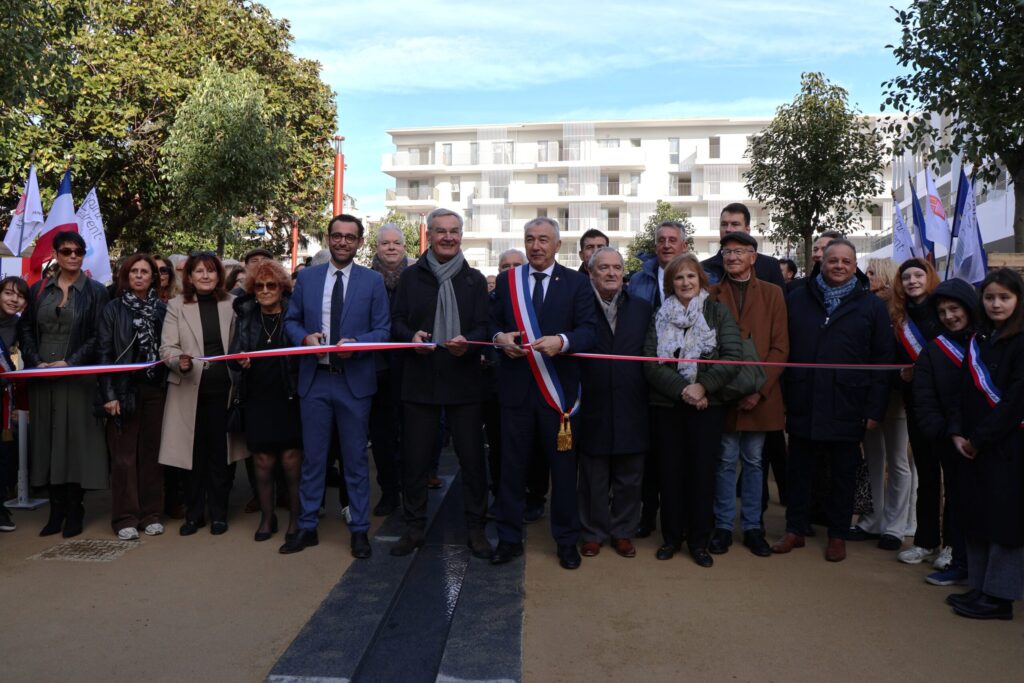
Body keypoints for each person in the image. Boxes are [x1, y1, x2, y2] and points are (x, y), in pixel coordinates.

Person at [772, 239, 894, 562]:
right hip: (804, 398)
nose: (839, 266)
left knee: (843, 473)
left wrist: (874, 408)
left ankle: (838, 533)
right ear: (821, 263)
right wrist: (783, 396)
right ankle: (795, 529)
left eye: (846, 261)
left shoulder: (872, 307)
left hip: (848, 403)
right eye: (833, 261)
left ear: (855, 266)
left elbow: (883, 361)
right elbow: (783, 349)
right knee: (799, 470)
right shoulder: (797, 298)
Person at [490, 217, 597, 570]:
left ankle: (566, 540)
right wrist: (499, 338)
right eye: (530, 239)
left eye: (543, 240)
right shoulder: (508, 281)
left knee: (563, 472)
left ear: (557, 245)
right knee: (511, 468)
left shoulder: (578, 283)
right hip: (516, 392)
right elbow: (491, 324)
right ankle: (508, 538)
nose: (536, 246)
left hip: (558, 395)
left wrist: (563, 341)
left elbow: (588, 331)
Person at [282, 214, 390, 558]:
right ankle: (307, 527)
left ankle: (359, 530)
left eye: (350, 237)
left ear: (359, 242)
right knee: (314, 460)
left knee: (356, 461)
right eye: (337, 236)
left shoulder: (373, 281)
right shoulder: (308, 279)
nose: (343, 242)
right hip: (315, 382)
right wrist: (303, 337)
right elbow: (291, 320)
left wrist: (359, 341)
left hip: (354, 384)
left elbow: (383, 331)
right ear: (328, 239)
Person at [390, 208, 492, 559]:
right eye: (441, 231)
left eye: (454, 231)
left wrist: (470, 340)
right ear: (429, 236)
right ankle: (414, 527)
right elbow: (397, 321)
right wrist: (410, 336)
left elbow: (484, 325)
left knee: (472, 460)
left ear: (461, 235)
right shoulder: (410, 277)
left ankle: (476, 528)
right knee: (415, 460)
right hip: (420, 379)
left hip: (464, 380)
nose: (448, 237)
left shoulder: (474, 280)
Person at [643, 253, 743, 567]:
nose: (685, 282)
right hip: (667, 405)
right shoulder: (659, 314)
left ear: (701, 279)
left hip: (707, 407)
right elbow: (650, 361)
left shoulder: (716, 312)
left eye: (691, 276)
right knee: (670, 474)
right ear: (670, 284)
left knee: (702, 474)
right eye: (678, 277)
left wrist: (703, 387)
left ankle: (699, 540)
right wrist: (683, 389)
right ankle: (671, 538)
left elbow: (732, 355)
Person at [20, 231, 109, 538]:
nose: (73, 256)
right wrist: (35, 361)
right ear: (56, 254)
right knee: (46, 437)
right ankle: (55, 509)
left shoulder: (97, 291)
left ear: (84, 255)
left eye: (78, 252)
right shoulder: (38, 290)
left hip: (78, 374)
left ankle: (75, 508)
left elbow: (100, 335)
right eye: (67, 251)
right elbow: (26, 330)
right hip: (43, 373)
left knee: (75, 440)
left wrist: (71, 362)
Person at [947, 269, 1024, 620]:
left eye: (1004, 297)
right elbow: (964, 390)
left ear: (1018, 300)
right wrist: (959, 432)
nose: (996, 303)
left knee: (1005, 522)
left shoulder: (1021, 340)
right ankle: (980, 585)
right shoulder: (980, 337)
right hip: (973, 444)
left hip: (1008, 446)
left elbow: (1015, 402)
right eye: (990, 297)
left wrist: (979, 438)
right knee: (976, 514)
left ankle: (999, 597)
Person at [708, 232, 788, 558]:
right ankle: (723, 526)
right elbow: (707, 348)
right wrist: (724, 387)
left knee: (755, 462)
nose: (732, 257)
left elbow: (780, 347)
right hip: (724, 394)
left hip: (761, 396)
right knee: (725, 461)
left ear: (753, 257)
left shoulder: (772, 294)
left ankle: (754, 527)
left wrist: (759, 389)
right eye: (726, 252)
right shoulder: (711, 295)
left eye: (739, 251)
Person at [159, 252, 244, 536]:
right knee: (192, 457)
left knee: (220, 457)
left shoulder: (233, 304)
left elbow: (240, 345)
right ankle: (193, 516)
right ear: (190, 276)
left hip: (224, 391)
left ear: (219, 275)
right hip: (188, 390)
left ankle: (219, 514)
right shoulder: (175, 306)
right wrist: (177, 361)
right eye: (199, 271)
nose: (205, 276)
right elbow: (167, 348)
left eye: (210, 271)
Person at [577, 247, 651, 559]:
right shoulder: (579, 307)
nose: (611, 273)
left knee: (629, 475)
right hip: (591, 400)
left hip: (632, 400)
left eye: (616, 268)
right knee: (593, 474)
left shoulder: (643, 308)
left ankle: (623, 531)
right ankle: (593, 532)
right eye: (603, 268)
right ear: (591, 273)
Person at [229, 259, 302, 542]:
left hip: (290, 394)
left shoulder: (294, 315)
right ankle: (267, 516)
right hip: (257, 395)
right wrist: (241, 360)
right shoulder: (246, 314)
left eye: (271, 285)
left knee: (291, 459)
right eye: (259, 286)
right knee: (261, 459)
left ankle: (296, 519)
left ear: (282, 287)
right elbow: (234, 357)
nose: (265, 290)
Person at [97, 254, 169, 540]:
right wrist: (109, 394)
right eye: (134, 271)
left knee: (151, 455)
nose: (139, 276)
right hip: (123, 390)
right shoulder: (112, 309)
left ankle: (151, 514)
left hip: (155, 389)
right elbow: (103, 353)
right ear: (125, 276)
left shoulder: (163, 310)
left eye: (145, 271)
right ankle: (125, 517)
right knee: (123, 458)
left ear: (154, 277)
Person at [913, 278, 978, 587]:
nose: (950, 316)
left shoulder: (988, 341)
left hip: (989, 439)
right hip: (949, 441)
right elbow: (924, 400)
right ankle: (958, 559)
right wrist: (944, 434)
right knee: (957, 499)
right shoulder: (934, 351)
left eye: (955, 308)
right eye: (942, 311)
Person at [848, 257, 917, 549]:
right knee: (874, 458)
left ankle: (898, 524)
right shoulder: (864, 307)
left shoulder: (905, 315)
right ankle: (874, 519)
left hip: (898, 399)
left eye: (873, 273)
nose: (868, 278)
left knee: (900, 461)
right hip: (870, 397)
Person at [627, 219, 688, 538]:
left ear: (684, 246)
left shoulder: (700, 279)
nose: (666, 245)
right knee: (647, 453)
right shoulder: (637, 280)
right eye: (661, 240)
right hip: (644, 377)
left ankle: (678, 521)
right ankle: (646, 515)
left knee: (679, 455)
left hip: (686, 379)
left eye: (672, 240)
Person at [884, 258, 947, 563]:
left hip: (948, 405)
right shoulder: (899, 318)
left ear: (929, 277)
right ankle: (925, 540)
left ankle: (952, 546)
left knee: (955, 479)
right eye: (905, 276)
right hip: (916, 403)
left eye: (917, 275)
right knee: (927, 473)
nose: (911, 281)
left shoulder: (945, 311)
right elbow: (893, 362)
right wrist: (900, 374)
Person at [368, 223, 409, 516]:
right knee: (381, 436)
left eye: (396, 243)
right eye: (385, 243)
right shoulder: (365, 279)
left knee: (412, 435)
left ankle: (412, 491)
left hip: (412, 368)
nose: (391, 247)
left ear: (405, 248)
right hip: (376, 369)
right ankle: (389, 492)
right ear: (377, 248)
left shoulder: (419, 277)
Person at [701, 203, 786, 289]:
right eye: (724, 224)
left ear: (747, 230)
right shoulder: (703, 268)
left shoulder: (769, 266)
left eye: (735, 224)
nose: (728, 229)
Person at [0, 276, 28, 533]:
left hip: (4, 401)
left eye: (19, 296)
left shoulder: (19, 326)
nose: (13, 299)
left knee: (4, 455)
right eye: (8, 293)